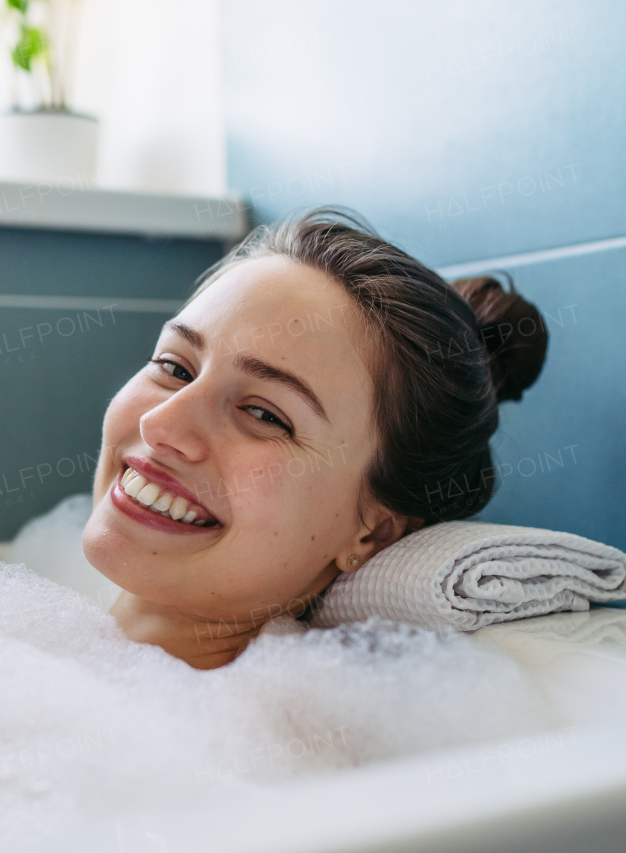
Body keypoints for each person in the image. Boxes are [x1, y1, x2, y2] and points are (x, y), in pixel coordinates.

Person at [82, 208, 548, 669]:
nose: (160, 426)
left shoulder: (266, 738)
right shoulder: (47, 668)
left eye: (264, 414)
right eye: (174, 367)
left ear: (375, 532)